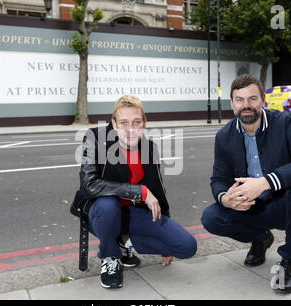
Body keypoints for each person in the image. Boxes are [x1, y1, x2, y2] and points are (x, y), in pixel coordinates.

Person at [201, 74, 291, 294]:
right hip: (250, 208)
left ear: (263, 101)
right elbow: (218, 179)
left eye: (252, 99)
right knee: (212, 217)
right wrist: (225, 199)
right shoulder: (223, 136)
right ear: (232, 104)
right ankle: (260, 238)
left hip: (284, 204)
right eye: (239, 100)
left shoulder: (285, 122)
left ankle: (289, 260)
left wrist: (265, 182)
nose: (246, 105)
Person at [71, 95, 197, 289]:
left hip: (134, 213)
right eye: (123, 123)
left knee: (187, 246)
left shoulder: (149, 147)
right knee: (108, 204)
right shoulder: (95, 137)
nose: (130, 129)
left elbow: (157, 189)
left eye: (136, 122)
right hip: (101, 214)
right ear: (113, 123)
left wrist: (165, 229)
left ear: (144, 122)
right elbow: (90, 185)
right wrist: (139, 191)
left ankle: (124, 242)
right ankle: (110, 257)